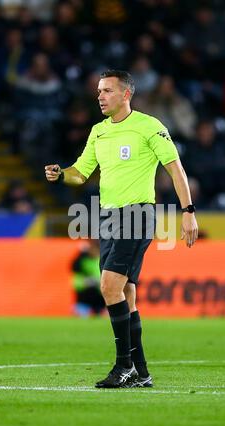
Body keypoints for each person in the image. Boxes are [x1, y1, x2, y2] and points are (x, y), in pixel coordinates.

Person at [45, 70, 198, 389]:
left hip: (138, 214)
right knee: (126, 294)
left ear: (126, 94)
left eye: (107, 91)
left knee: (108, 286)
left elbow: (175, 168)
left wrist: (188, 211)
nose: (100, 96)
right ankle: (141, 373)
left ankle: (122, 365)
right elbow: (81, 173)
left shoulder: (149, 126)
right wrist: (61, 174)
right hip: (108, 217)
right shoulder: (99, 131)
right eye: (99, 91)